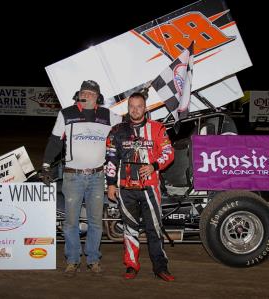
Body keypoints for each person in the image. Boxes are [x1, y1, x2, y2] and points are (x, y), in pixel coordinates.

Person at [41, 80, 121, 277]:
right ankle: (72, 260)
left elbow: (128, 126)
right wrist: (45, 165)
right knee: (71, 223)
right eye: (84, 93)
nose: (88, 96)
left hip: (97, 176)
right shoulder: (66, 113)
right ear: (78, 95)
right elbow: (54, 140)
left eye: (92, 94)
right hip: (72, 176)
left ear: (98, 98)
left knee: (95, 221)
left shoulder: (107, 115)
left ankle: (93, 259)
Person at [105, 92, 176, 282]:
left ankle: (160, 267)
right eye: (132, 107)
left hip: (150, 189)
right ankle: (131, 265)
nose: (135, 110)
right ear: (127, 109)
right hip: (126, 189)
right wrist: (111, 184)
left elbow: (169, 152)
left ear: (146, 108)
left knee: (155, 229)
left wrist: (153, 166)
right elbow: (111, 159)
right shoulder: (117, 131)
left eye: (139, 106)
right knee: (130, 229)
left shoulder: (158, 128)